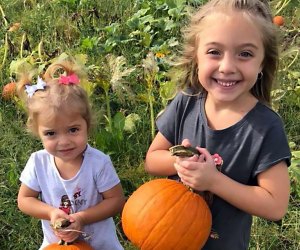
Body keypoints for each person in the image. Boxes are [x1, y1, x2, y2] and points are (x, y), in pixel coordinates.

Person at [145, 0, 291, 249]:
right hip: (170, 237)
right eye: (214, 52)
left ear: (262, 63)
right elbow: (152, 160)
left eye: (245, 54)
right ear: (196, 57)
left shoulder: (265, 127)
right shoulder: (187, 101)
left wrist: (213, 181)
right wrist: (184, 163)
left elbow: (275, 205)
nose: (227, 67)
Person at [16, 56, 125, 250]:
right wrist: (50, 213)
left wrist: (82, 218)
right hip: (56, 245)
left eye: (73, 130)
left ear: (87, 125)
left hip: (101, 245)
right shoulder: (38, 163)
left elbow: (116, 201)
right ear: (37, 132)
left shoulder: (98, 163)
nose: (64, 142)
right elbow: (24, 200)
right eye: (51, 133)